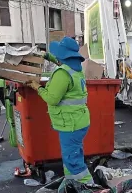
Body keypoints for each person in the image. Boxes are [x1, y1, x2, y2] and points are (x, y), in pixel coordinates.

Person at [28, 37, 94, 184]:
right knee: (73, 156)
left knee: (73, 161)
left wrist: (37, 87)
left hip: (70, 124)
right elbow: (60, 62)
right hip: (79, 121)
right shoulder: (75, 69)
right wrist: (47, 56)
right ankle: (73, 186)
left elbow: (52, 98)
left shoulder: (62, 74)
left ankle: (90, 192)